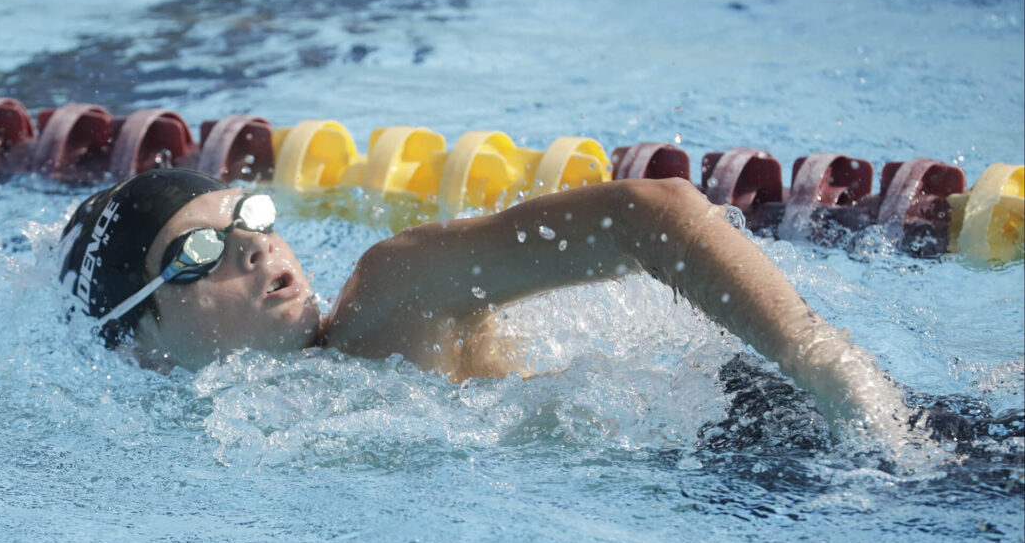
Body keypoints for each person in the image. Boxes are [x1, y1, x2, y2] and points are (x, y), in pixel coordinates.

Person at [58, 168, 912, 439]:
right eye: (197, 253)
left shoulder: (393, 294)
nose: (252, 244)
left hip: (788, 428)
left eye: (249, 214)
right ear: (141, 344)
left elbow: (649, 213)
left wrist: (818, 356)